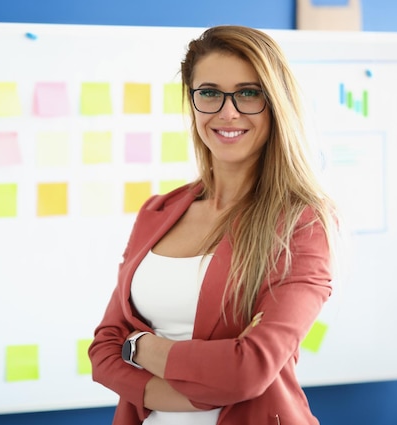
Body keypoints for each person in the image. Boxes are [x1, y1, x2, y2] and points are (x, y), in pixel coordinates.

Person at [88, 25, 338, 425]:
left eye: (248, 93)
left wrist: (139, 348)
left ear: (276, 102)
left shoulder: (301, 222)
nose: (228, 112)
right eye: (209, 93)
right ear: (193, 101)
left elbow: (249, 368)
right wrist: (164, 396)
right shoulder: (158, 211)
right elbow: (102, 350)